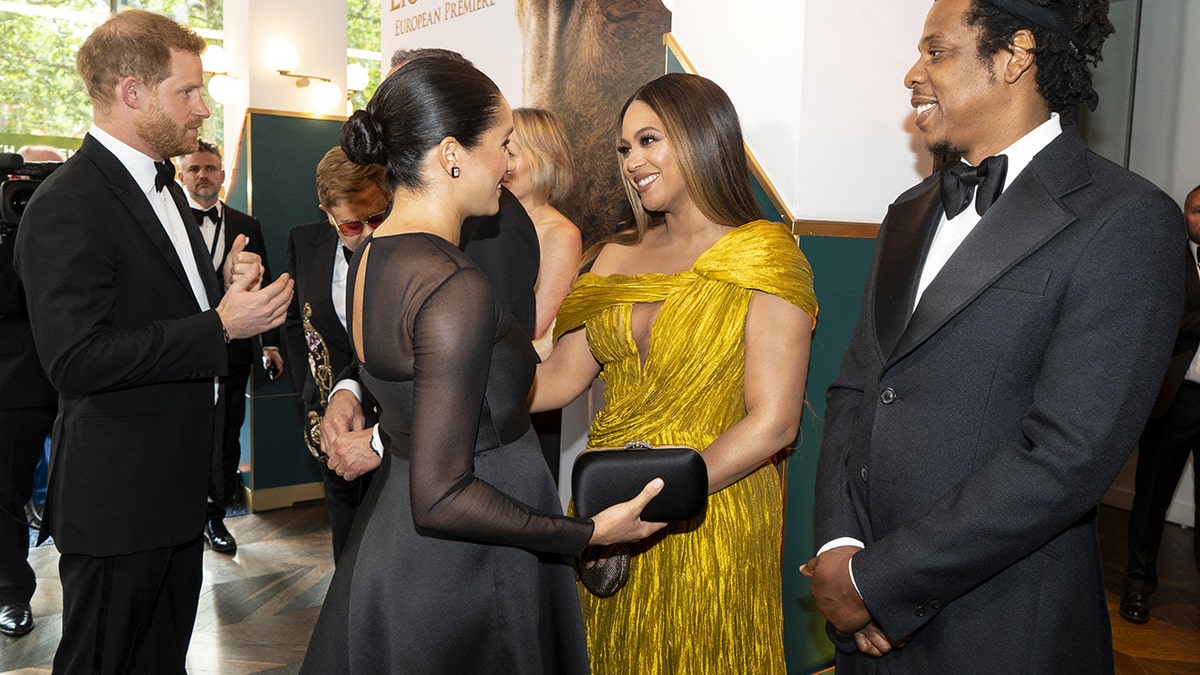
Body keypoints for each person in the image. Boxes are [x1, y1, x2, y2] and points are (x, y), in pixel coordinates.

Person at [802, 0, 1185, 671]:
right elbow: (855, 387)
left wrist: (880, 582)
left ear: (1014, 56)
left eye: (936, 51)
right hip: (863, 626)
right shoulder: (909, 210)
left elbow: (1065, 457)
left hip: (1001, 624)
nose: (911, 74)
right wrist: (840, 548)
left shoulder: (1127, 219)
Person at [300, 57, 665, 674]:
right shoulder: (451, 283)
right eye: (501, 144)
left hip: (399, 540)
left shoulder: (373, 256)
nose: (507, 164)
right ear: (451, 154)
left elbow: (434, 404)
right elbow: (442, 495)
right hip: (470, 565)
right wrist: (588, 534)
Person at [13, 10, 292, 672]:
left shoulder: (161, 188)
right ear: (133, 92)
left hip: (174, 499)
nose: (202, 109)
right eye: (187, 92)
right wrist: (218, 325)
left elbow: (154, 304)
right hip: (119, 507)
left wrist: (220, 290)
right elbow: (75, 359)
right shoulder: (68, 203)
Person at [530, 72, 817, 674]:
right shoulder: (614, 255)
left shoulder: (764, 253)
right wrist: (448, 374)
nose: (633, 160)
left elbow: (774, 422)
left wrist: (659, 500)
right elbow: (556, 380)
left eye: (649, 140)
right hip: (609, 513)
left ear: (700, 138)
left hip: (714, 508)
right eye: (624, 148)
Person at [319, 48, 543, 480]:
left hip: (475, 471)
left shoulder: (496, 219)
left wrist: (383, 439)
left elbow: (495, 378)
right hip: (430, 482)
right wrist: (349, 388)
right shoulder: (383, 237)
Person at [179, 138, 284, 555]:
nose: (203, 175)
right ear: (182, 176)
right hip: (184, 348)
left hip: (235, 350)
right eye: (194, 169)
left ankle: (216, 516)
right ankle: (183, 514)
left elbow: (265, 281)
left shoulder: (246, 223)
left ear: (222, 175)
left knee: (225, 433)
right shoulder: (170, 222)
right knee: (186, 430)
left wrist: (270, 344)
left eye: (210, 168)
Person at [284, 146, 389, 563]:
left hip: (391, 431)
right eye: (349, 224)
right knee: (345, 544)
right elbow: (295, 325)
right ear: (326, 213)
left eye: (377, 217)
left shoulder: (406, 248)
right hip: (330, 423)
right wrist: (310, 397)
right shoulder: (302, 241)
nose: (366, 233)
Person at [1120, 184, 1200, 624]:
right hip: (1176, 399)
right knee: (1151, 499)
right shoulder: (1169, 260)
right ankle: (1136, 587)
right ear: (1185, 216)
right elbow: (1168, 319)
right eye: (1195, 211)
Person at [503, 107, 582, 484]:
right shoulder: (484, 224)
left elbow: (536, 326)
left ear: (542, 158)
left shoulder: (560, 234)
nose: (500, 163)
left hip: (530, 396)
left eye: (510, 152)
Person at [0, 149, 58, 637]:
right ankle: (11, 591)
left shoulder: (75, 214)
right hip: (16, 381)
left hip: (90, 379)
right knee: (7, 493)